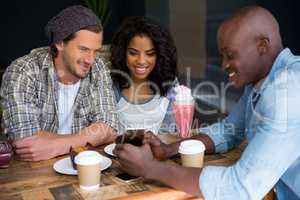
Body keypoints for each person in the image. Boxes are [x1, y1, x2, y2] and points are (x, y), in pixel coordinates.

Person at [114, 6, 300, 200]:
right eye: (222, 56)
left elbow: (238, 188)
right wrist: (168, 149)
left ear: (262, 46)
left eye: (231, 55)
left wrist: (150, 168)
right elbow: (228, 131)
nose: (223, 65)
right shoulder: (261, 83)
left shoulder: (286, 92)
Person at [0, 5, 119, 161]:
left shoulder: (98, 67)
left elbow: (109, 127)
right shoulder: (23, 71)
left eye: (95, 50)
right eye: (83, 49)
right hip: (32, 174)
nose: (91, 59)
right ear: (60, 43)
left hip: (82, 164)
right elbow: (25, 142)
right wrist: (88, 137)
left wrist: (58, 145)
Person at [110, 16, 178, 134]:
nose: (141, 61)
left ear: (160, 55)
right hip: (118, 150)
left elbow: (169, 134)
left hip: (159, 150)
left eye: (150, 54)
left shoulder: (170, 83)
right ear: (123, 52)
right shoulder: (111, 84)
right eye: (133, 53)